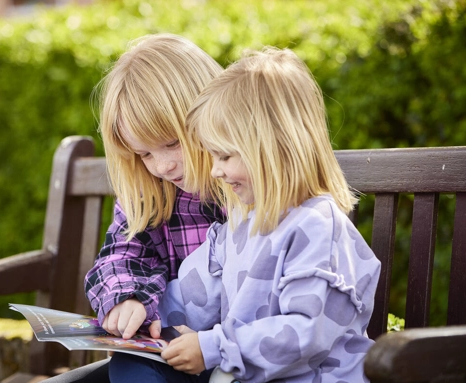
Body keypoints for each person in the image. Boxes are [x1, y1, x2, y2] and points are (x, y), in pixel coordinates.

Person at [108, 47, 382, 383]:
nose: (216, 171)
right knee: (130, 366)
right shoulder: (239, 226)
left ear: (270, 149)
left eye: (224, 156)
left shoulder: (317, 227)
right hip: (248, 375)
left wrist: (215, 348)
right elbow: (193, 293)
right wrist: (141, 317)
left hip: (318, 378)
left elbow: (305, 334)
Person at [41, 33, 225, 383]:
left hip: (237, 357)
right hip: (173, 355)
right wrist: (130, 299)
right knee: (126, 369)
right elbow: (123, 253)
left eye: (172, 143)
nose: (162, 166)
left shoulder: (244, 186)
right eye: (145, 153)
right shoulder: (151, 190)